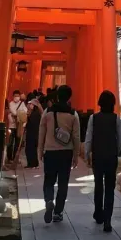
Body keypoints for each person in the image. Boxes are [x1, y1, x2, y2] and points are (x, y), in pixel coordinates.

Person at [38, 84, 80, 224]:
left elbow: (41, 132)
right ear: (69, 97)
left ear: (57, 96)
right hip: (66, 153)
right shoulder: (73, 114)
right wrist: (76, 155)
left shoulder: (48, 112)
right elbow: (76, 136)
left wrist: (40, 150)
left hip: (50, 151)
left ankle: (49, 200)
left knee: (49, 180)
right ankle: (58, 212)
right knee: (63, 183)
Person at [85, 90, 121, 233]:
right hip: (110, 157)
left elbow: (89, 137)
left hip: (98, 156)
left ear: (100, 103)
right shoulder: (116, 119)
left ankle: (98, 213)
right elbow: (120, 140)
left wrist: (86, 153)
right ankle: (108, 220)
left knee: (98, 185)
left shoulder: (93, 118)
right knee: (109, 188)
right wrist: (115, 151)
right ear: (113, 104)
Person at [7, 90, 28, 162]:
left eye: (18, 96)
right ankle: (9, 158)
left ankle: (15, 158)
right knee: (10, 142)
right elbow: (13, 112)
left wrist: (18, 114)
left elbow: (25, 111)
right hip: (12, 126)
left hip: (19, 126)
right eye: (15, 96)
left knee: (17, 143)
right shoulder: (11, 104)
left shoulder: (22, 103)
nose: (17, 97)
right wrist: (20, 113)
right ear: (13, 96)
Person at [25, 94, 43, 169]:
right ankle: (33, 163)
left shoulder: (35, 114)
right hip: (33, 134)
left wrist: (27, 121)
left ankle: (32, 164)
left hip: (32, 134)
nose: (30, 106)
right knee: (31, 149)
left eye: (31, 104)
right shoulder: (35, 113)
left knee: (30, 149)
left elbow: (32, 123)